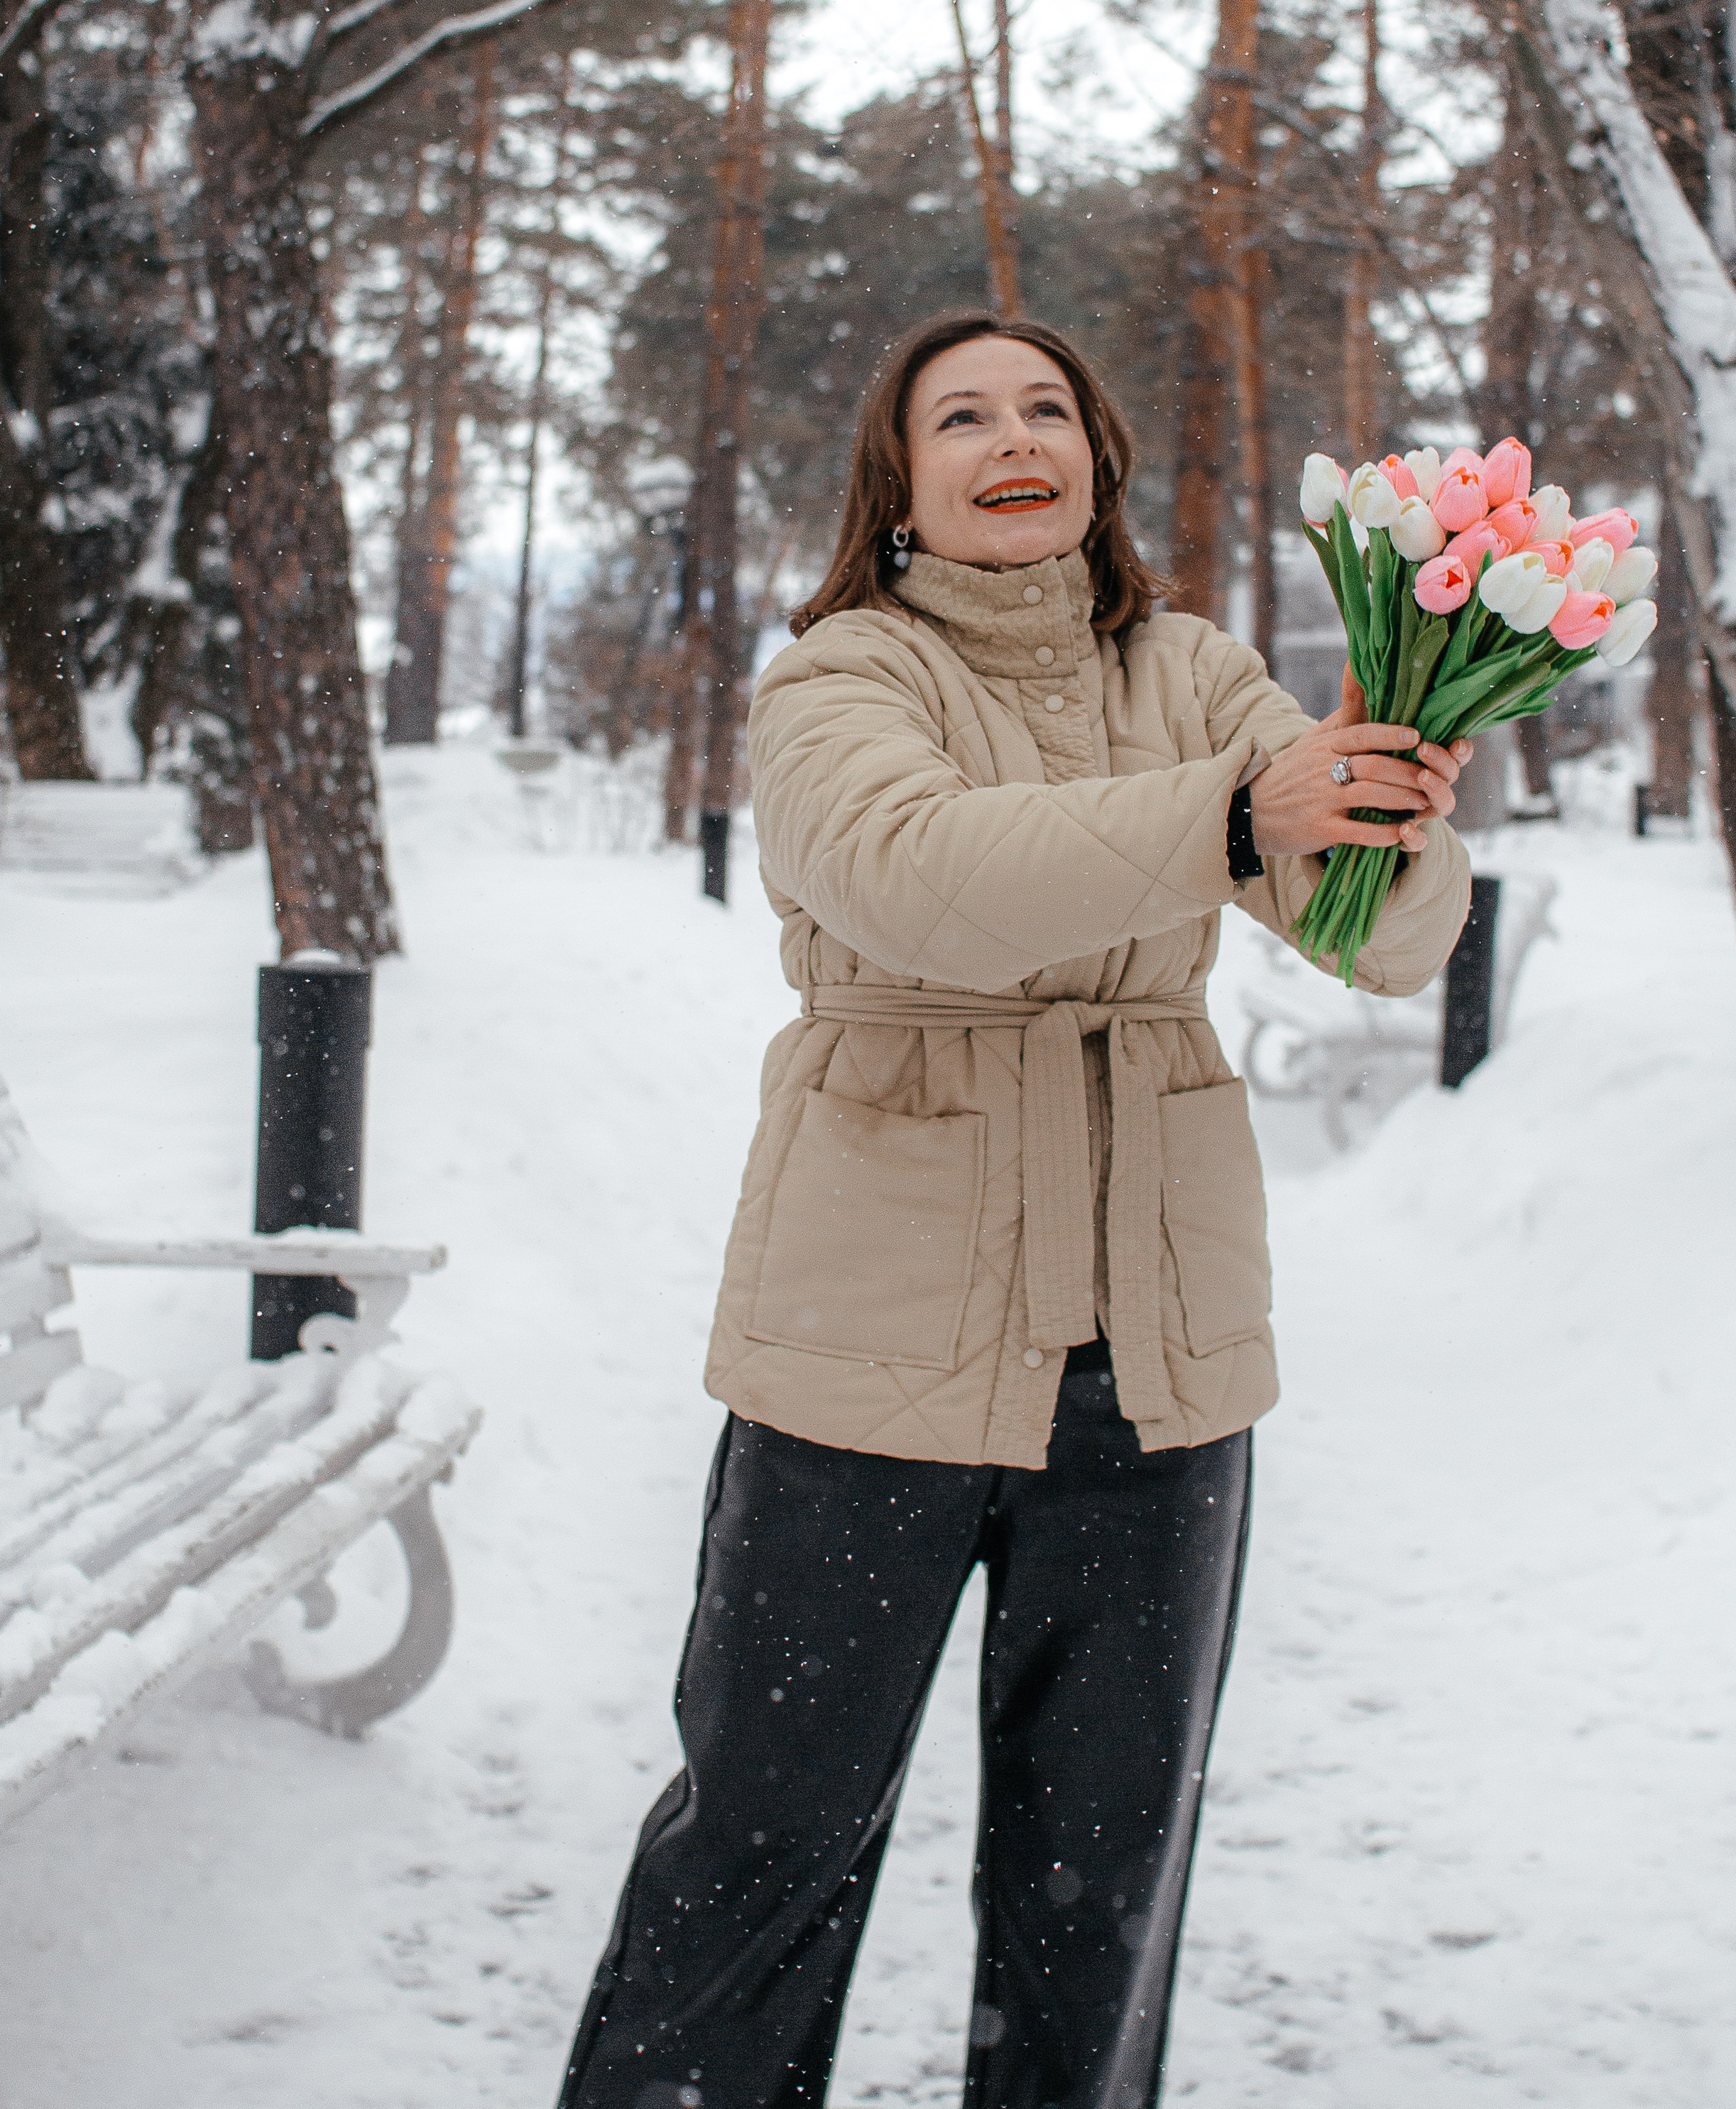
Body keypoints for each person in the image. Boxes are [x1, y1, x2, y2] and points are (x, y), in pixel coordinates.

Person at [558, 313, 1472, 2109]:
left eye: (1045, 408)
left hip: (1153, 1358)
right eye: (961, 416)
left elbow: (1382, 945)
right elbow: (915, 883)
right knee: (766, 1839)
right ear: (898, 481)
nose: (1011, 439)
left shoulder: (1195, 673)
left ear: (1097, 460)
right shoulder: (840, 677)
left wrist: (1396, 802)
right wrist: (1239, 813)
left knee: (1098, 1870)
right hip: (868, 1349)